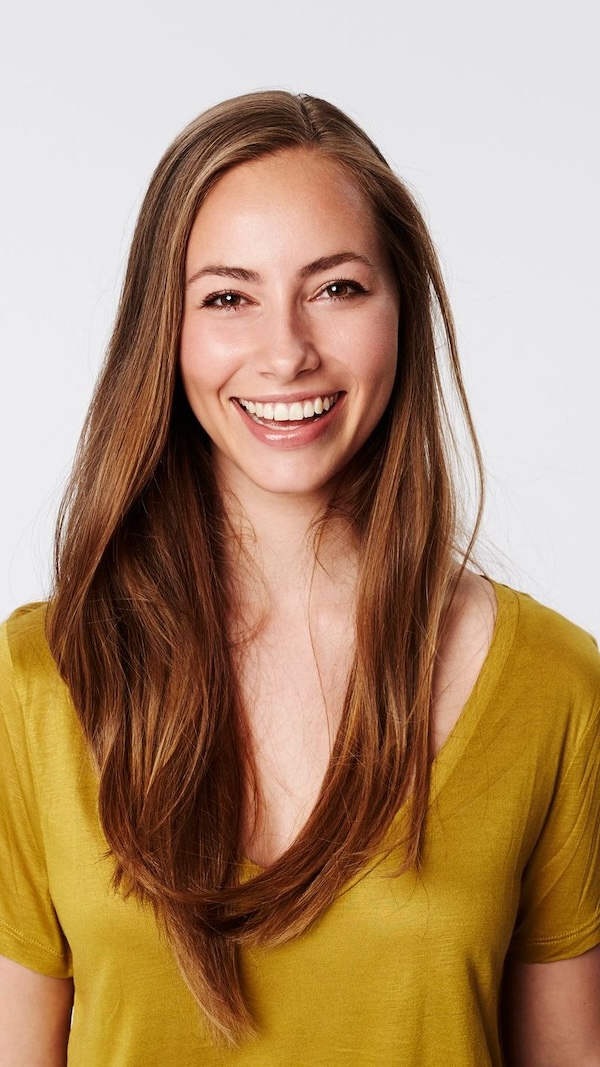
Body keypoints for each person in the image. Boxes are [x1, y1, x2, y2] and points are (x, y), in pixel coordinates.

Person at [0, 90, 599, 1067]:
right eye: (228, 296)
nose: (286, 352)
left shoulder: (555, 685)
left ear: (403, 310)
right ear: (167, 330)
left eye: (337, 288)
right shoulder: (38, 678)